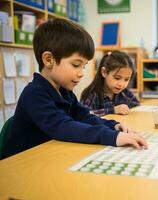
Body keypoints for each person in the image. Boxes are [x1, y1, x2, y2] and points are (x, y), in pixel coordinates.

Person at [2, 18, 147, 159]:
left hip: (48, 156)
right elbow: (63, 127)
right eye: (76, 65)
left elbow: (84, 116)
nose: (81, 73)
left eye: (83, 66)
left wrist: (113, 126)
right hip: (21, 163)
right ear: (48, 60)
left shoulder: (65, 92)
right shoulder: (34, 94)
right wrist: (112, 137)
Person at [81, 50, 139, 116]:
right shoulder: (92, 94)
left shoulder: (124, 93)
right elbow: (83, 115)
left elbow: (137, 105)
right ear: (104, 72)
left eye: (126, 79)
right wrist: (113, 110)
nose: (121, 84)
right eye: (117, 78)